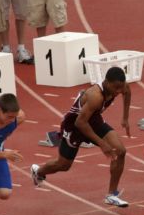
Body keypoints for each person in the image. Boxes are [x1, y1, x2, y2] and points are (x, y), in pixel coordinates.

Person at [31, 67, 131, 207]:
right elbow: (80, 123)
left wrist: (125, 118)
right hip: (74, 126)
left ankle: (111, 194)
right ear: (107, 82)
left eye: (120, 88)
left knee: (120, 151)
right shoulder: (95, 96)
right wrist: (102, 144)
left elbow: (127, 92)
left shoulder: (121, 86)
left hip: (94, 120)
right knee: (64, 165)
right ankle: (38, 171)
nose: (118, 91)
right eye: (116, 88)